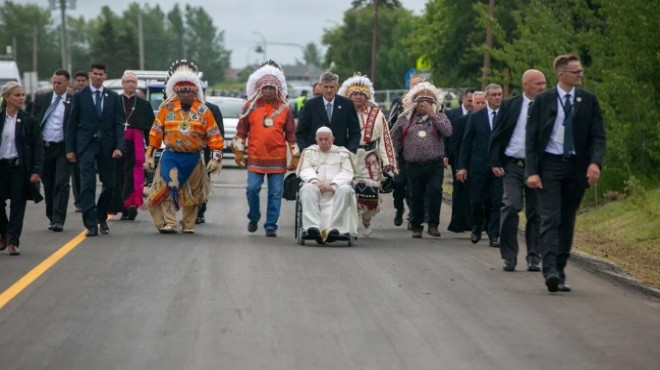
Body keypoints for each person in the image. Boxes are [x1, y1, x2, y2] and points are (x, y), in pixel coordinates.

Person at [526, 54, 606, 292]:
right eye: (577, 72)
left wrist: (595, 163)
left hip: (577, 166)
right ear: (562, 75)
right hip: (550, 165)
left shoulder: (588, 100)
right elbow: (531, 138)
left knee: (567, 219)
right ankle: (549, 269)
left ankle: (559, 270)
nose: (581, 75)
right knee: (551, 217)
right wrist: (532, 171)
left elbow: (598, 136)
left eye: (581, 71)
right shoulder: (544, 100)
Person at [144, 60, 223, 234]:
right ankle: (170, 223)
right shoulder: (166, 109)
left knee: (193, 194)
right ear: (176, 91)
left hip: (193, 158)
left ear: (196, 91)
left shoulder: (204, 111)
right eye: (182, 90)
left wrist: (216, 159)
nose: (186, 94)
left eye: (189, 90)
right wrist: (150, 155)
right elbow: (155, 133)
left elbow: (215, 136)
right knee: (166, 190)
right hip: (171, 156)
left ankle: (188, 224)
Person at [488, 70, 546, 272]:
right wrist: (495, 161)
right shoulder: (509, 105)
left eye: (544, 83)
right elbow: (497, 134)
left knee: (536, 212)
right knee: (511, 206)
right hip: (513, 165)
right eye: (538, 84)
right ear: (525, 85)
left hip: (538, 167)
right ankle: (509, 255)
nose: (542, 87)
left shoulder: (549, 106)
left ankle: (534, 256)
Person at [231, 63, 297, 237]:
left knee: (275, 193)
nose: (268, 91)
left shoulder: (285, 108)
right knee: (252, 189)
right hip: (255, 156)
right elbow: (240, 132)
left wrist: (295, 155)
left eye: (271, 88)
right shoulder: (249, 107)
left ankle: (271, 225)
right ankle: (254, 217)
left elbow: (291, 134)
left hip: (277, 157)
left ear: (277, 89)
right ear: (259, 88)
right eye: (265, 87)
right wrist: (238, 151)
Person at [66, 63, 124, 237]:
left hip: (107, 145)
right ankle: (90, 223)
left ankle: (101, 215)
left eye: (101, 74)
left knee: (110, 184)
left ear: (105, 76)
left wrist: (119, 146)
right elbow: (71, 124)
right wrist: (70, 149)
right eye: (95, 74)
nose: (98, 77)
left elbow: (118, 124)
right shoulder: (80, 96)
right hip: (87, 145)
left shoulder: (113, 97)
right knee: (87, 184)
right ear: (91, 75)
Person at [391, 82, 452, 238]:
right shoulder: (404, 119)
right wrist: (392, 160)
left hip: (435, 164)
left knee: (435, 192)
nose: (424, 105)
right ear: (414, 103)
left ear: (433, 103)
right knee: (415, 195)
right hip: (413, 164)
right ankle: (416, 225)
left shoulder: (440, 117)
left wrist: (433, 114)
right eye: (420, 102)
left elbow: (448, 131)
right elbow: (394, 139)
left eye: (428, 102)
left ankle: (433, 225)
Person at [338, 73, 397, 237]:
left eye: (361, 94)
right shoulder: (341, 112)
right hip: (347, 156)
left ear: (367, 96)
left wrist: (388, 161)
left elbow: (385, 139)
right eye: (354, 94)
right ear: (348, 96)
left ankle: (366, 220)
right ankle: (351, 222)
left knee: (370, 196)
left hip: (369, 157)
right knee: (346, 191)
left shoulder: (377, 114)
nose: (357, 97)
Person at [457, 83, 504, 247]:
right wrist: (462, 166)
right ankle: (477, 226)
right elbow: (467, 142)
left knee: (497, 201)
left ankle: (494, 234)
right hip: (479, 166)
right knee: (477, 201)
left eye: (499, 94)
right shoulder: (476, 117)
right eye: (493, 95)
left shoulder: (506, 115)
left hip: (499, 167)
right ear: (487, 97)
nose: (497, 97)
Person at [0, 82, 43, 255]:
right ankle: (4, 231)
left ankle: (13, 241)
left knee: (18, 205)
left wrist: (37, 169)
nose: (21, 98)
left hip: (19, 168)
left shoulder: (29, 120)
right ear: (7, 97)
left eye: (22, 95)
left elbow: (37, 147)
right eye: (17, 95)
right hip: (1, 167)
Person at [296, 126, 357, 242]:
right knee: (306, 188)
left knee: (346, 190)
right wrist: (315, 182)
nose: (323, 142)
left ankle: (337, 229)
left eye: (326, 139)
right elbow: (304, 169)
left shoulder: (342, 153)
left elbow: (348, 172)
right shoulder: (309, 152)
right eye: (321, 139)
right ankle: (312, 227)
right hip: (316, 189)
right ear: (316, 139)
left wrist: (334, 185)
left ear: (332, 139)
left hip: (336, 190)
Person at [109, 72, 156, 221]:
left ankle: (132, 205)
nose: (130, 84)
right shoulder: (114, 101)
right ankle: (121, 206)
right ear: (123, 84)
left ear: (136, 85)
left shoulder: (144, 104)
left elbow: (150, 129)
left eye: (133, 82)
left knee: (134, 175)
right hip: (117, 143)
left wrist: (151, 150)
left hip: (136, 143)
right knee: (117, 174)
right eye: (128, 81)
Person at [31, 69, 73, 232]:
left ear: (67, 84)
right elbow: (33, 122)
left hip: (63, 148)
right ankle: (51, 215)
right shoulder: (42, 99)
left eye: (59, 82)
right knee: (48, 184)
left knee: (61, 183)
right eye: (54, 82)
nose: (55, 85)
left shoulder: (73, 101)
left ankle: (58, 219)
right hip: (44, 148)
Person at [388, 74, 424, 228]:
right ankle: (399, 208)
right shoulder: (399, 103)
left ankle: (412, 215)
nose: (416, 88)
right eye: (414, 85)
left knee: (414, 185)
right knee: (399, 183)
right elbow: (390, 124)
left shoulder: (429, 103)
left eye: (420, 85)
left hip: (418, 152)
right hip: (400, 151)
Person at [295, 71, 361, 153]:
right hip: (315, 154)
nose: (329, 90)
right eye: (326, 87)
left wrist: (350, 151)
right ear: (321, 86)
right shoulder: (310, 105)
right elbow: (301, 132)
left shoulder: (347, 104)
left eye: (332, 87)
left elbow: (355, 132)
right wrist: (305, 150)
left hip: (340, 154)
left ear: (337, 87)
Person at [447, 90, 482, 233]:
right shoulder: (462, 120)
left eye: (483, 103)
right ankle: (465, 222)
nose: (481, 105)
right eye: (478, 103)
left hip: (483, 163)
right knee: (463, 193)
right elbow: (456, 143)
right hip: (465, 162)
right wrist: (458, 164)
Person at [195, 94, 225, 225]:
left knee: (202, 181)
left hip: (205, 153)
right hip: (184, 151)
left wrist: (216, 157)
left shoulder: (212, 108)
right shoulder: (179, 107)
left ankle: (199, 212)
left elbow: (219, 133)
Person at [71, 71, 89, 212]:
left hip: (91, 140)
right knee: (76, 173)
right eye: (79, 80)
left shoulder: (91, 97)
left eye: (83, 80)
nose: (81, 83)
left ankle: (88, 199)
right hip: (76, 141)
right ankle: (79, 201)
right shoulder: (71, 98)